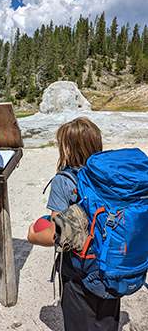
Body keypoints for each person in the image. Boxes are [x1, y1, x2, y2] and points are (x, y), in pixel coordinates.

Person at [27, 117, 120, 331]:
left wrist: (32, 234)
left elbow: (57, 233)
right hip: (111, 261)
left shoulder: (64, 180)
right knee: (106, 319)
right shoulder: (110, 177)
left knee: (79, 320)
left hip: (79, 268)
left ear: (68, 148)